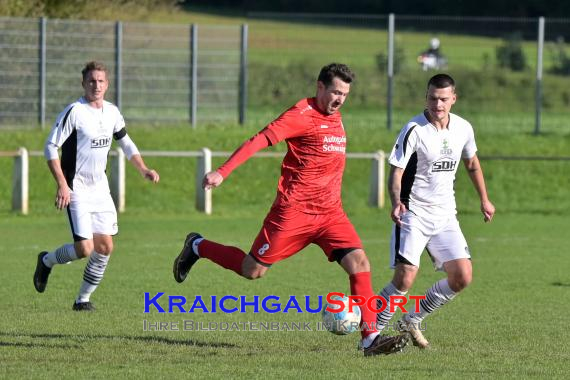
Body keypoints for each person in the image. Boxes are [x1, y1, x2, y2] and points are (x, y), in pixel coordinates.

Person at [172, 63, 409, 356]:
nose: (340, 99)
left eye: (345, 94)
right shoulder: (300, 115)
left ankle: (370, 339)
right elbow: (258, 140)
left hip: (331, 213)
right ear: (319, 87)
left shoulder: (336, 116)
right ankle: (197, 246)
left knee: (360, 263)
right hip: (293, 212)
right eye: (335, 91)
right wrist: (223, 171)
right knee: (252, 270)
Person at [375, 73, 495, 349]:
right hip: (413, 212)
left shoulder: (463, 128)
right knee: (405, 276)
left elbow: (472, 163)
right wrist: (396, 201)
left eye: (443, 99)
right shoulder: (413, 129)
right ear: (425, 97)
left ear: (454, 98)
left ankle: (413, 319)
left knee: (462, 276)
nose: (437, 104)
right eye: (432, 98)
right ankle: (371, 335)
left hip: (445, 215)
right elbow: (397, 172)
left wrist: (484, 200)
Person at [33, 61, 160, 311]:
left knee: (105, 247)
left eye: (101, 81)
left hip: (100, 189)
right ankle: (47, 261)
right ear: (84, 84)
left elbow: (126, 143)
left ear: (107, 84)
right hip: (76, 187)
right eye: (92, 81)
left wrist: (144, 168)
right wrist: (62, 184)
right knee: (84, 249)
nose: (96, 85)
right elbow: (50, 146)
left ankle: (82, 300)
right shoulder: (75, 112)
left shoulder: (112, 112)